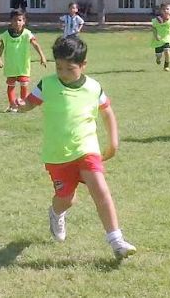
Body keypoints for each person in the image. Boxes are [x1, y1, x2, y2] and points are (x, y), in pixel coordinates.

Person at [15, 36, 137, 259]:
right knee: (66, 198)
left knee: (100, 189)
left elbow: (107, 112)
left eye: (69, 69)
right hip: (57, 155)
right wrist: (22, 105)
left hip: (86, 149)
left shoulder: (93, 88)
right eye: (58, 67)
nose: (62, 73)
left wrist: (113, 142)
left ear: (83, 65)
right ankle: (56, 213)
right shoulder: (48, 84)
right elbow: (31, 103)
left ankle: (116, 240)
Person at [0, 9, 47, 112]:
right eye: (15, 20)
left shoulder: (27, 34)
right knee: (11, 85)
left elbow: (35, 44)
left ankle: (23, 104)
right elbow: (1, 47)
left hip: (23, 65)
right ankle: (12, 105)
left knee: (24, 85)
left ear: (24, 21)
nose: (17, 22)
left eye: (20, 20)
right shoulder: (6, 34)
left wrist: (42, 56)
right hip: (11, 65)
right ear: (11, 21)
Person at [150, 3, 170, 72]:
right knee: (159, 55)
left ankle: (166, 66)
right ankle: (158, 59)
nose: (165, 11)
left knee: (167, 51)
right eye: (163, 9)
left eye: (167, 9)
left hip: (167, 39)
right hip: (158, 40)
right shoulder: (156, 20)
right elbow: (154, 28)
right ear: (161, 11)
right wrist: (156, 36)